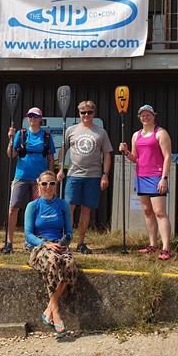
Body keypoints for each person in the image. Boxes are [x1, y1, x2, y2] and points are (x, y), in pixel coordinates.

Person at [57, 100, 112, 254]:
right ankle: (65, 241)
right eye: (83, 112)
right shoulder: (71, 130)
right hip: (74, 175)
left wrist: (105, 175)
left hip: (93, 176)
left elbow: (107, 154)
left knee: (86, 210)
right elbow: (63, 150)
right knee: (69, 209)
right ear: (79, 113)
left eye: (89, 112)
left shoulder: (101, 132)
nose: (86, 115)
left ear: (94, 113)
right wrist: (61, 168)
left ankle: (81, 243)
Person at [25, 170, 76, 336]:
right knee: (54, 261)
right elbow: (28, 235)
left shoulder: (63, 205)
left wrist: (63, 243)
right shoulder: (33, 206)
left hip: (58, 245)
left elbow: (69, 232)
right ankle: (56, 313)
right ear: (38, 185)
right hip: (40, 246)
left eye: (52, 183)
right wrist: (45, 244)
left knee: (69, 264)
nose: (48, 187)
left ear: (56, 185)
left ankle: (48, 310)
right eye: (44, 183)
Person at [119, 104, 173, 260]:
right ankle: (152, 245)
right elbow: (135, 158)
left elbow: (167, 156)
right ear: (139, 117)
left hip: (156, 177)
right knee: (148, 212)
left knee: (160, 213)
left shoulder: (161, 133)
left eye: (148, 114)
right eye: (142, 115)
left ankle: (166, 248)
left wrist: (164, 178)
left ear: (153, 116)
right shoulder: (136, 135)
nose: (145, 117)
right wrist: (126, 152)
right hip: (141, 177)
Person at [3, 107, 55, 254]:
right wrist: (11, 139)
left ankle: (33, 242)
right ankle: (9, 242)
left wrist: (50, 176)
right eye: (30, 116)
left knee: (38, 210)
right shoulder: (22, 133)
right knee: (13, 208)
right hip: (21, 176)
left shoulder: (45, 136)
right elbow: (11, 154)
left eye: (35, 116)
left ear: (40, 119)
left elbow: (50, 157)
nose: (32, 119)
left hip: (40, 179)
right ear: (27, 118)